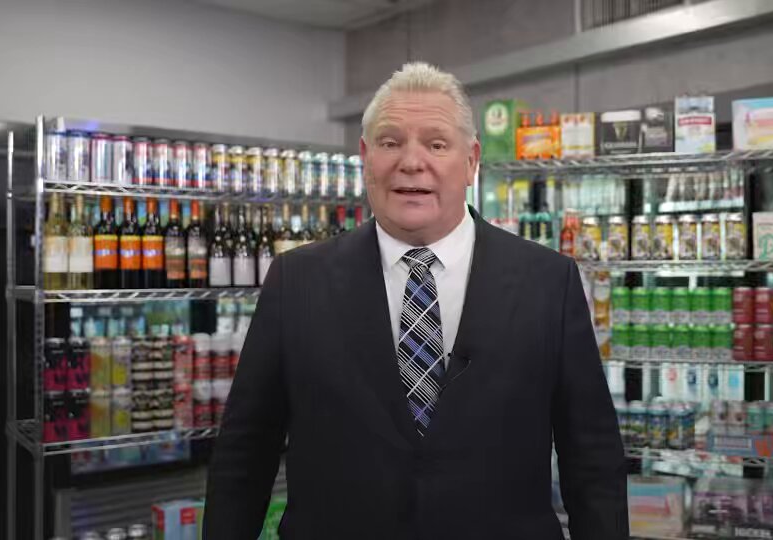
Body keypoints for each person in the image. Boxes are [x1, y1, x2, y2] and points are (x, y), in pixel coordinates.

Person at [204, 62, 627, 540]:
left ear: (471, 162)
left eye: (436, 143)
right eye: (390, 142)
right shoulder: (296, 280)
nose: (410, 161)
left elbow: (591, 460)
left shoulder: (550, 280)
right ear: (365, 156)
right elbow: (245, 452)